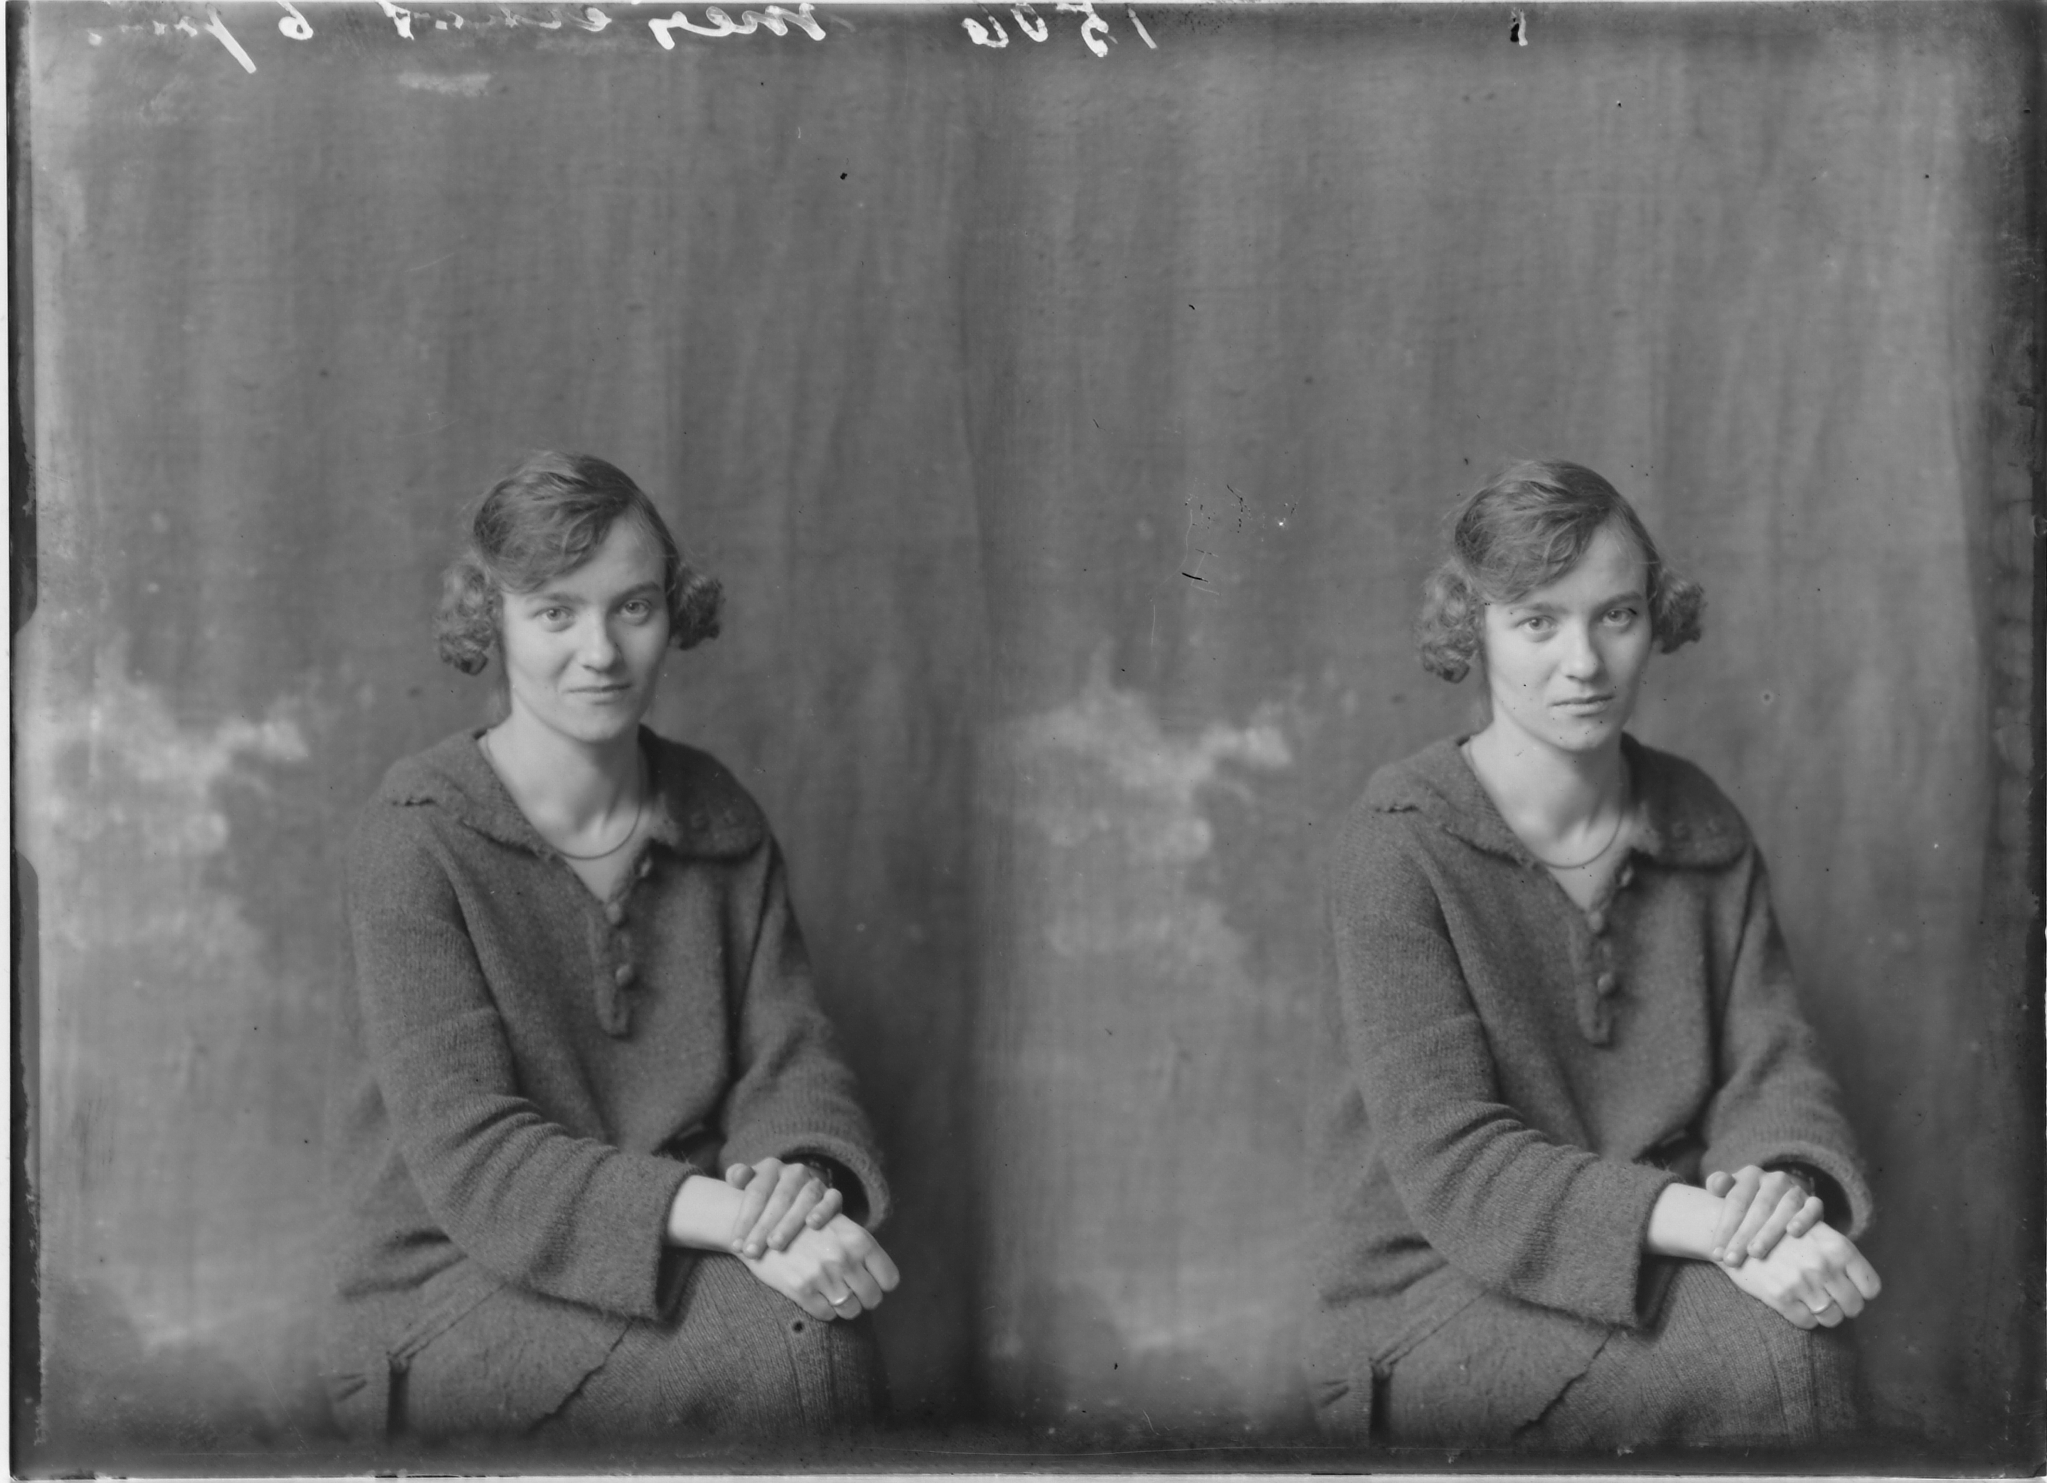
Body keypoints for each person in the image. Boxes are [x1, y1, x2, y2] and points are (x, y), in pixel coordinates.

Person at [321, 451, 900, 1446]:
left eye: (632, 606)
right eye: (555, 612)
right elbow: (478, 1161)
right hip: (455, 1288)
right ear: (491, 618)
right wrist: (738, 1222)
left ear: (674, 611)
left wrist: (794, 1181)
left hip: (683, 1246)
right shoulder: (414, 839)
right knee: (791, 1344)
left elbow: (789, 1057)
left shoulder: (717, 815)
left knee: (806, 1329)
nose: (600, 651)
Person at [1305, 460, 1882, 1452]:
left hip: (1664, 1249)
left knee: (1791, 1341)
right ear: (1473, 628)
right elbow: (1458, 1165)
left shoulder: (1698, 821)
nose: (1583, 662)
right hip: (1437, 1292)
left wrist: (1775, 1188)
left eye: (1614, 615)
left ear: (1654, 617)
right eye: (1537, 621)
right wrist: (1719, 1230)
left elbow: (1771, 1063)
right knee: (1774, 1356)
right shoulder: (1396, 846)